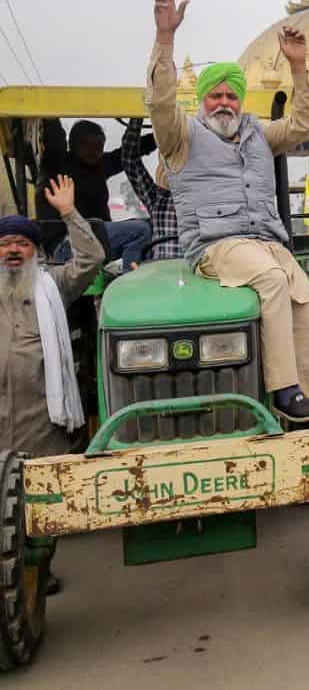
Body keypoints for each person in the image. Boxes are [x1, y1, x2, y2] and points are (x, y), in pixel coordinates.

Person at [147, 0, 309, 431]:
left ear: (240, 100)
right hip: (216, 245)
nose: (224, 103)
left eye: (231, 96)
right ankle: (285, 392)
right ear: (203, 100)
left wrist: (299, 67)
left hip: (267, 240)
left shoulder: (259, 134)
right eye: (216, 96)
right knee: (269, 280)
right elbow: (161, 102)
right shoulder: (181, 137)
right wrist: (165, 38)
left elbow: (303, 122)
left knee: (305, 297)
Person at [2, 177, 103, 596]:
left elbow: (92, 257)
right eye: (5, 243)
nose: (12, 250)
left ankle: (37, 574)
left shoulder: (52, 285)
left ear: (34, 251)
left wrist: (68, 212)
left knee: (41, 506)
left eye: (21, 244)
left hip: (41, 418)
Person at [38, 118, 155, 269]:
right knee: (139, 231)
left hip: (95, 236)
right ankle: (130, 284)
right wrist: (50, 115)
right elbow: (54, 136)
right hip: (66, 243)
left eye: (98, 145)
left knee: (152, 225)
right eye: (86, 145)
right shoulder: (58, 164)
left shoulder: (100, 166)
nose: (93, 150)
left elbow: (131, 151)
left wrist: (163, 134)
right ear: (72, 144)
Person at [121, 118, 179, 260]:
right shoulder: (157, 198)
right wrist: (137, 115)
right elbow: (130, 160)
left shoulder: (205, 196)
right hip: (158, 272)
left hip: (194, 273)